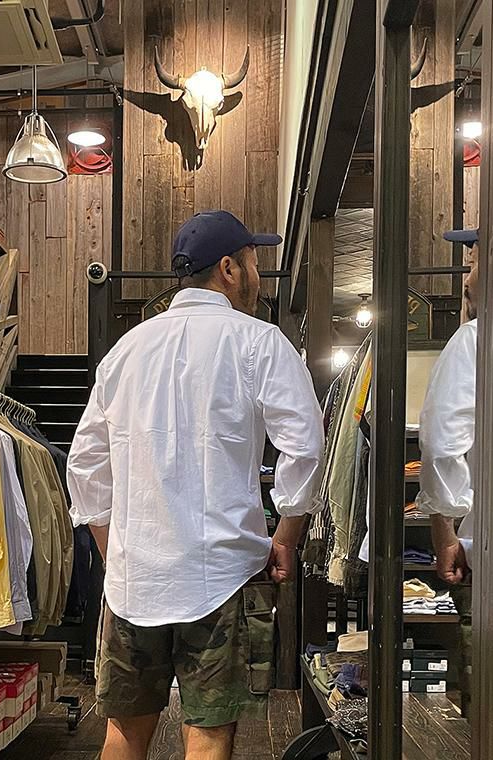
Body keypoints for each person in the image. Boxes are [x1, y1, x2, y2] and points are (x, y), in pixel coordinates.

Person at [67, 210, 325, 760]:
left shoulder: (125, 351)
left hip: (134, 582)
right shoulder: (260, 342)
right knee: (208, 734)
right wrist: (286, 535)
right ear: (229, 268)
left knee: (123, 733)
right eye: (254, 262)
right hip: (220, 577)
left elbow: (85, 464)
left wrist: (116, 552)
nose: (258, 276)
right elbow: (304, 445)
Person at [416, 227, 478, 718]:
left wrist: (444, 532)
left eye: (474, 260)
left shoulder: (475, 341)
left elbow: (441, 445)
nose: (466, 276)